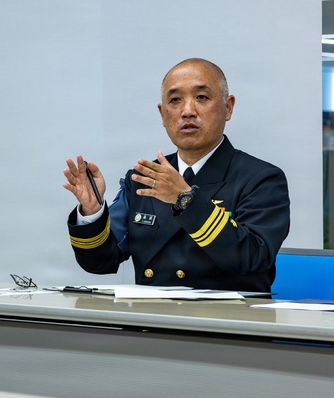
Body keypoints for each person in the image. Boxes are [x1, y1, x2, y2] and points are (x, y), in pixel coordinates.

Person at [62, 58, 290, 292]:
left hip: (228, 323)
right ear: (162, 114)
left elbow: (253, 258)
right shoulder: (144, 178)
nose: (187, 111)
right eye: (175, 100)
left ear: (228, 107)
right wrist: (93, 211)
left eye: (202, 98)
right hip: (153, 322)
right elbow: (100, 261)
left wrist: (185, 199)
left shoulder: (261, 178)